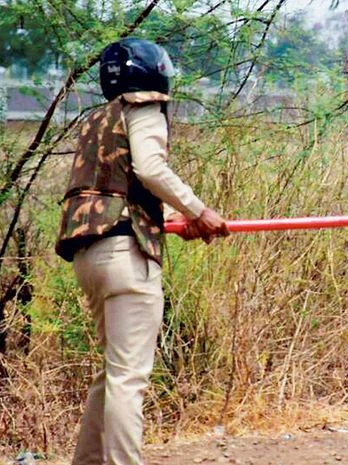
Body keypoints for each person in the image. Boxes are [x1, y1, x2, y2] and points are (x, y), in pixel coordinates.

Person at [55, 38, 229, 465]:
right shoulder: (144, 108)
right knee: (129, 378)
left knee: (113, 373)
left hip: (89, 253)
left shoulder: (97, 119)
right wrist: (199, 210)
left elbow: (118, 185)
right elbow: (150, 169)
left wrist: (174, 217)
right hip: (125, 255)